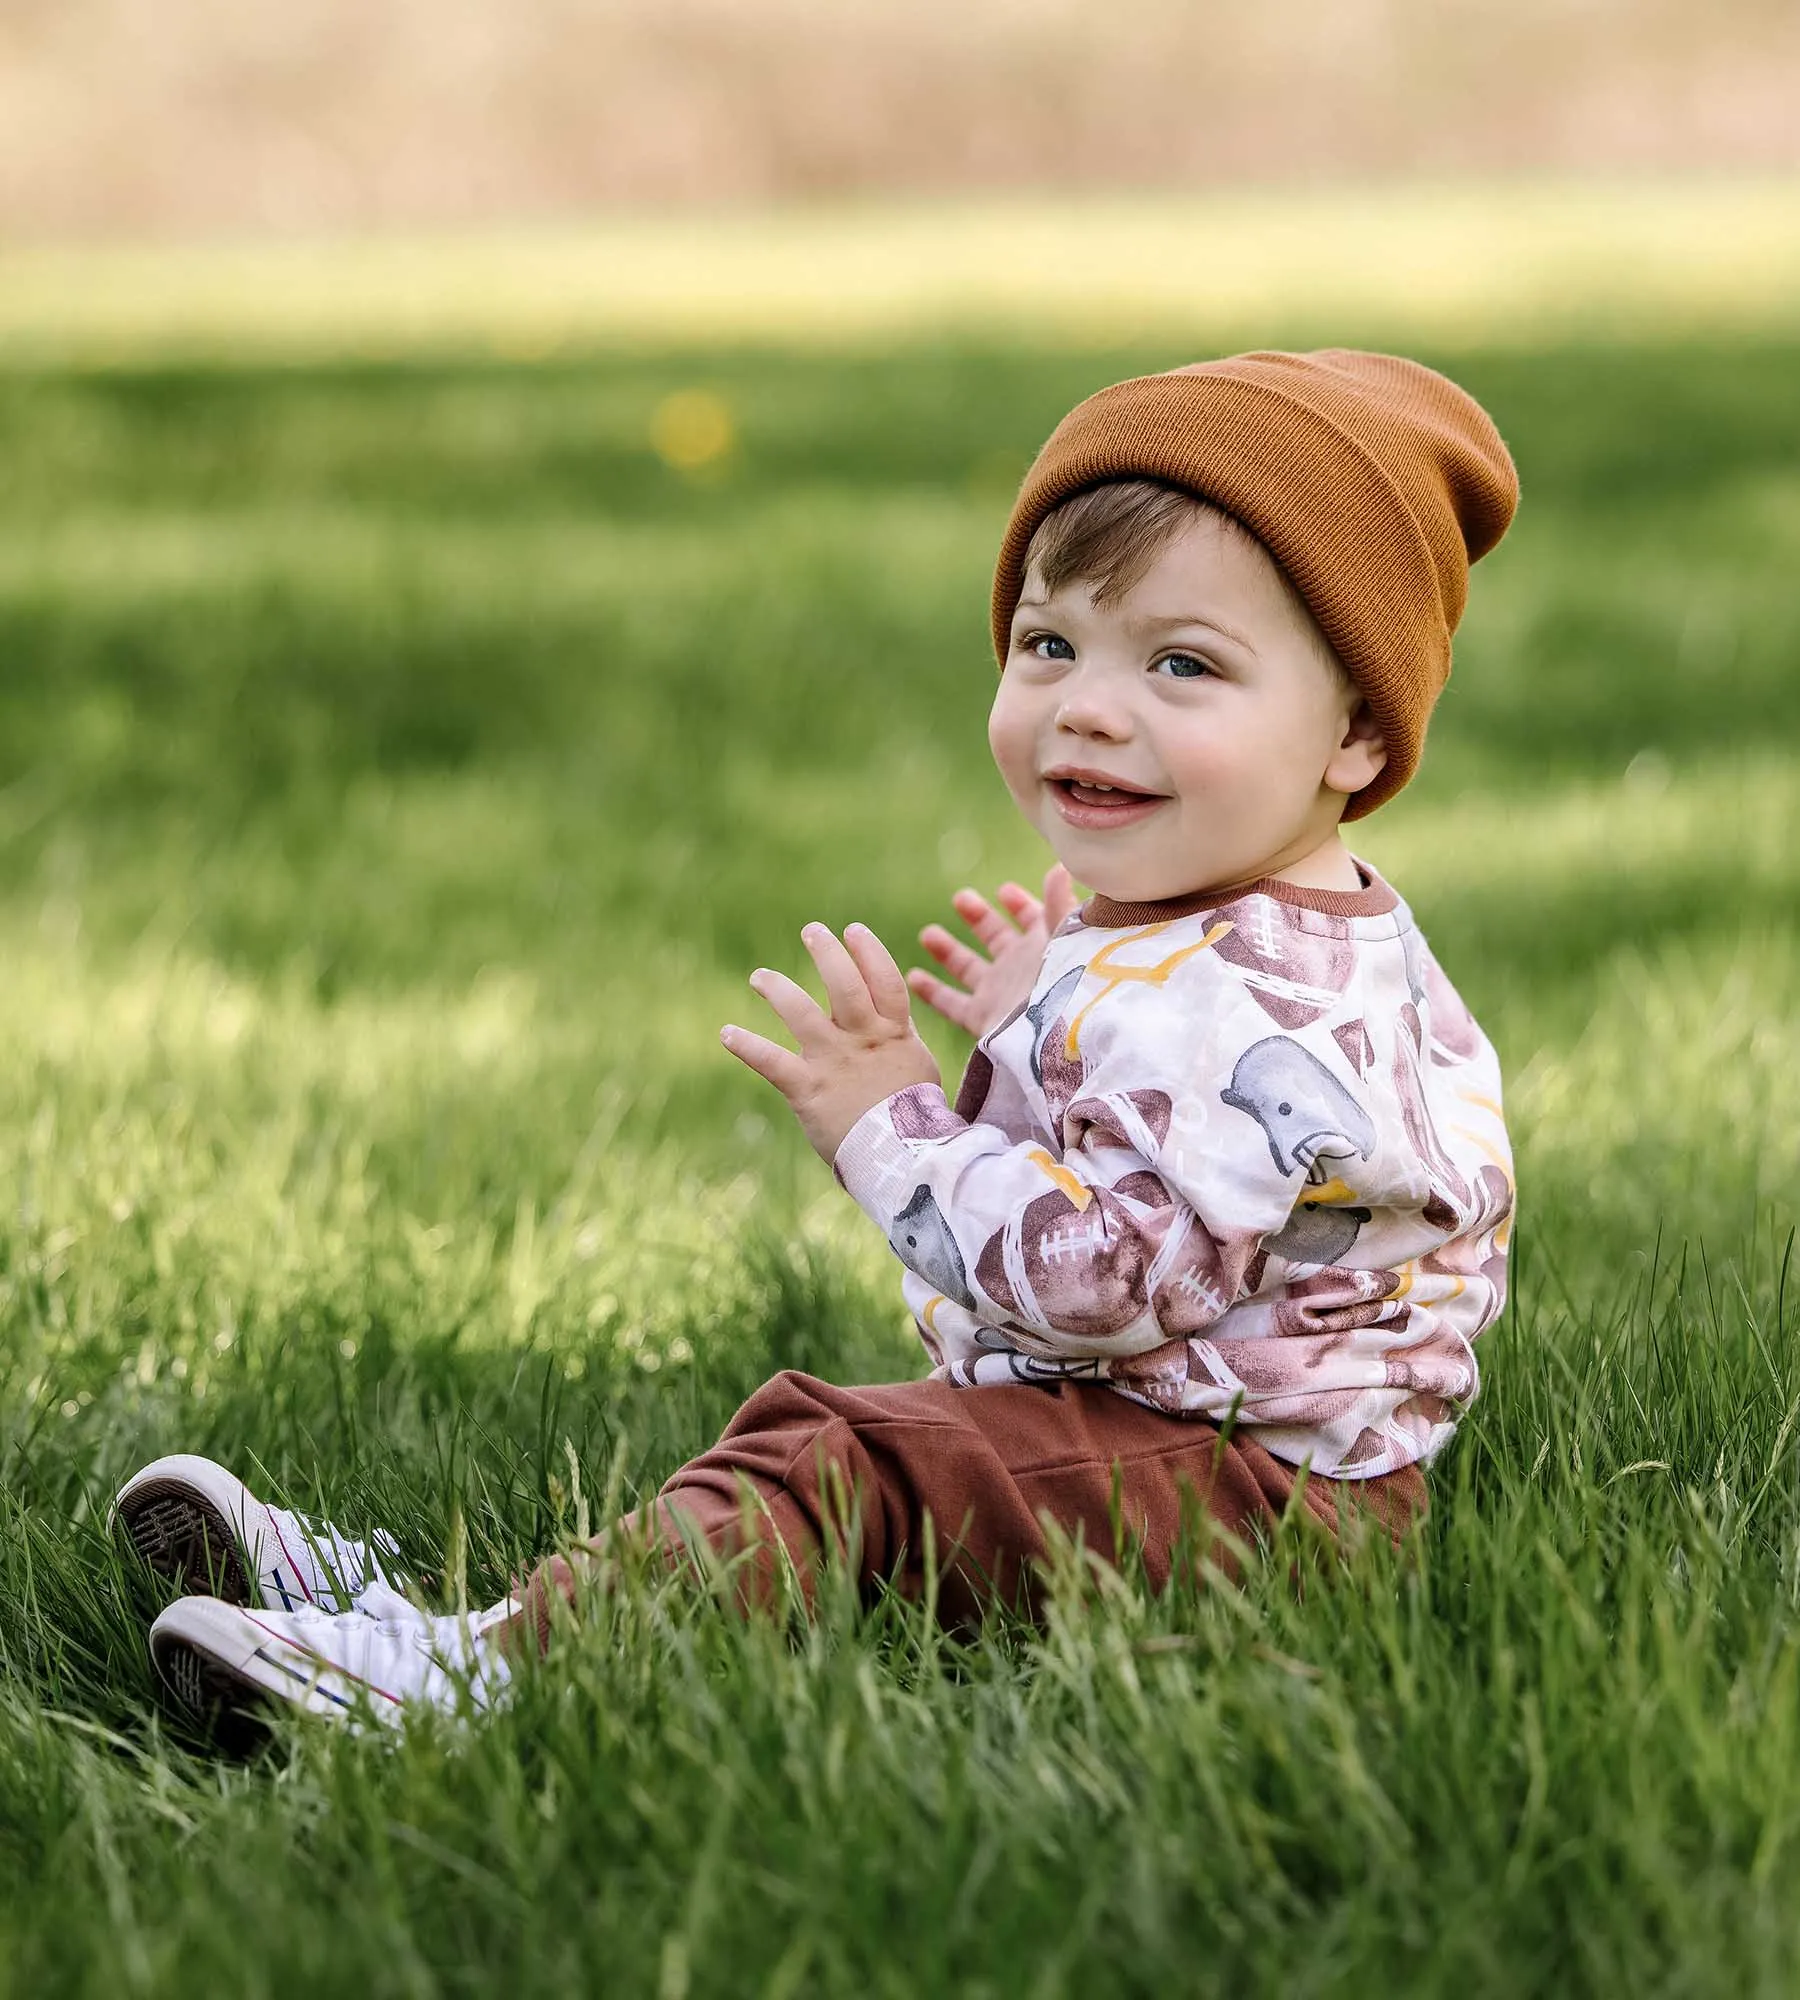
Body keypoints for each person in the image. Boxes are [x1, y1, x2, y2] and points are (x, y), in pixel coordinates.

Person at [114, 348, 1519, 1733]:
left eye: (1184, 664)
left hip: (1249, 1506)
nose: (1091, 703)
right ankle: (446, 1616)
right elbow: (1218, 1170)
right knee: (820, 1439)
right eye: (1050, 643)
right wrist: (1050, 1026)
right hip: (1222, 1463)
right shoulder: (1281, 938)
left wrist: (891, 1120)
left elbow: (1108, 1284)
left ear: (1354, 734)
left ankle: (489, 1677)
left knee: (843, 1465)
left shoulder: (1250, 1009)